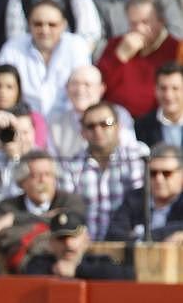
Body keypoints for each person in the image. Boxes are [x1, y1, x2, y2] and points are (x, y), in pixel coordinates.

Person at [58, 100, 148, 240]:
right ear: (83, 132)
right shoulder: (70, 166)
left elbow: (144, 203)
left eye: (105, 124)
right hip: (86, 251)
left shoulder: (136, 157)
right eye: (91, 126)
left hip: (129, 248)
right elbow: (69, 211)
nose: (98, 130)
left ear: (118, 127)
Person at [0, 1, 91, 117]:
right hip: (25, 124)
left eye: (52, 25)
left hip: (69, 124)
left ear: (64, 25)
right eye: (38, 24)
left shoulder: (76, 46)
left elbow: (87, 91)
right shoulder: (13, 48)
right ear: (29, 25)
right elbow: (1, 88)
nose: (45, 30)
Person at [96, 0, 180, 119]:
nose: (139, 29)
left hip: (157, 123)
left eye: (145, 22)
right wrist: (120, 56)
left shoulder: (176, 49)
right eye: (133, 23)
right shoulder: (116, 45)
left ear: (161, 21)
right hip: (114, 121)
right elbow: (98, 85)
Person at [48, 63, 136, 158]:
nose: (80, 90)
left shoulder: (119, 115)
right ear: (66, 88)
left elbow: (130, 152)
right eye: (74, 83)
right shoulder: (55, 124)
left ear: (101, 89)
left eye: (87, 84)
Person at [21, 209, 135, 278]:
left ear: (86, 238)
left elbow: (126, 276)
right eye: (61, 238)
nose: (68, 244)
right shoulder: (39, 264)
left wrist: (78, 270)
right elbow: (32, 273)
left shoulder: (100, 262)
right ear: (51, 243)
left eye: (73, 237)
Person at [106, 142, 183, 240]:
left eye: (166, 173)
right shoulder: (134, 199)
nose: (159, 179)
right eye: (153, 173)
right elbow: (114, 234)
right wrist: (150, 237)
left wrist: (141, 236)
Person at [135, 61, 183, 146]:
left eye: (175, 88)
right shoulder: (141, 126)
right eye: (163, 88)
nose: (168, 95)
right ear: (156, 90)